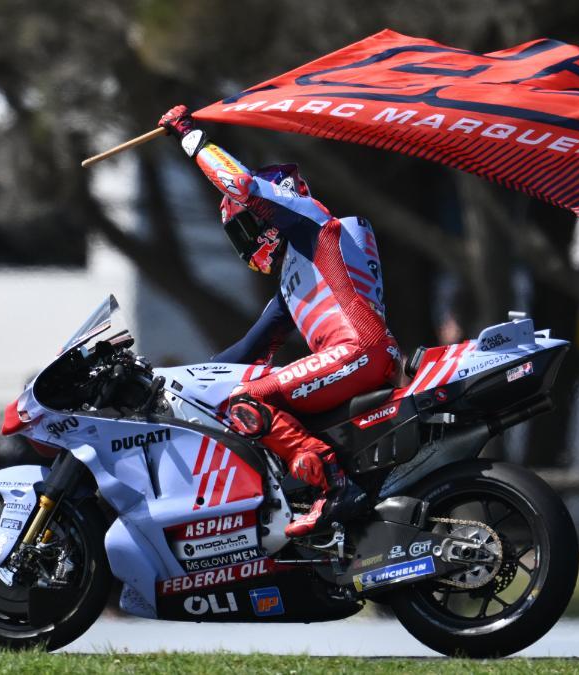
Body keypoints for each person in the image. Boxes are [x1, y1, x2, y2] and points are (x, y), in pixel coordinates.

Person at [158, 105, 400, 537]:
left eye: (244, 227)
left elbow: (242, 183)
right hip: (364, 355)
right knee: (249, 394)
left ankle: (335, 487)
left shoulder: (311, 223)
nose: (245, 242)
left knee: (243, 402)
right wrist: (173, 383)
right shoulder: (298, 275)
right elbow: (246, 351)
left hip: (356, 351)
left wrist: (188, 136)